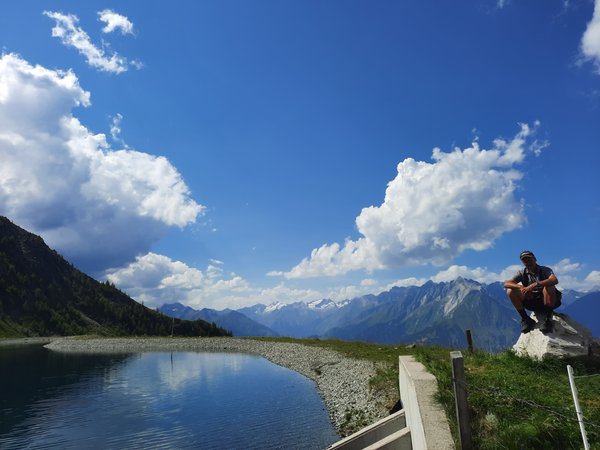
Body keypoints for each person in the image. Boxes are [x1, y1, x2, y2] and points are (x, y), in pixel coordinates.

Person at [504, 250, 561, 334]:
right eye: (524, 260)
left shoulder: (545, 270)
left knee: (550, 286)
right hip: (532, 301)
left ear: (535, 259)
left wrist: (535, 284)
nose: (527, 262)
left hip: (548, 301)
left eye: (529, 259)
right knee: (510, 291)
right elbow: (507, 283)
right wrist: (522, 287)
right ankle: (525, 319)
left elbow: (554, 280)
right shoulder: (522, 272)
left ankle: (548, 319)